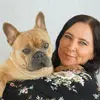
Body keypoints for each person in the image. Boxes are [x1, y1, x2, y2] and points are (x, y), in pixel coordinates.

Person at [2, 14, 100, 100]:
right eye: (68, 37)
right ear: (60, 37)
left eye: (83, 43)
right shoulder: (58, 69)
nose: (71, 47)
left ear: (94, 53)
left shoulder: (85, 84)